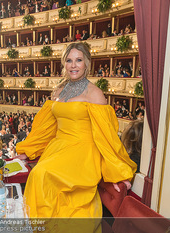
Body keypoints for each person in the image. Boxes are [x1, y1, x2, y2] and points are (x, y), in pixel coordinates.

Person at [15, 42, 136, 219]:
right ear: (64, 63)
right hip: (59, 148)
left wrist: (118, 171)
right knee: (39, 176)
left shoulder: (95, 94)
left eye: (78, 60)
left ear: (86, 63)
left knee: (41, 174)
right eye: (69, 60)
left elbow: (107, 135)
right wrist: (28, 151)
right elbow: (48, 128)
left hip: (83, 151)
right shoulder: (58, 91)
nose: (73, 65)